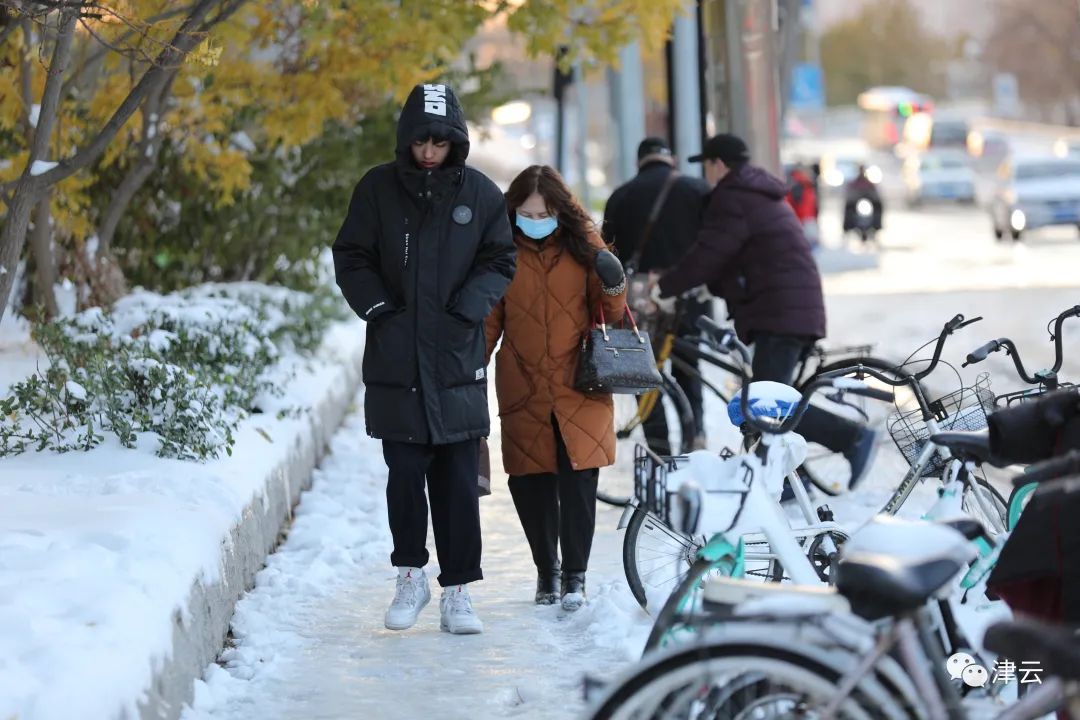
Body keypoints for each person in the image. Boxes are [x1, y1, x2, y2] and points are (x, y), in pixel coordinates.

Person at [332, 83, 516, 635]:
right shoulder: (378, 190)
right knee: (405, 474)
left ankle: (458, 590)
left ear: (455, 141)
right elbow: (352, 255)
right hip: (398, 358)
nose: (430, 152)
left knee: (459, 481)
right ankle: (409, 575)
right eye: (421, 142)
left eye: (440, 142)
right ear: (407, 141)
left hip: (456, 357)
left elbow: (500, 257)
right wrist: (380, 310)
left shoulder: (480, 194)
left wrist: (469, 309)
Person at [651, 133, 878, 489]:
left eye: (707, 166)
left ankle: (850, 437)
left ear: (718, 165)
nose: (707, 175)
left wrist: (662, 288)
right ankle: (787, 482)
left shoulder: (732, 197)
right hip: (788, 308)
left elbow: (709, 254)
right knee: (770, 401)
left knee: (764, 404)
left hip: (781, 312)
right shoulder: (755, 193)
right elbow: (734, 258)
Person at [485, 165, 627, 611]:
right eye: (526, 212)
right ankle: (547, 572)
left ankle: (575, 577)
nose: (535, 219)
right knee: (530, 483)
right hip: (522, 382)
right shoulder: (499, 250)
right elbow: (489, 319)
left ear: (560, 210)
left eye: (544, 212)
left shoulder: (584, 243)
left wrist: (614, 280)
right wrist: (468, 368)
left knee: (580, 481)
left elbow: (612, 312)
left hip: (579, 380)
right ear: (513, 211)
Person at [602, 137, 712, 452]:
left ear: (639, 162)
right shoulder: (697, 190)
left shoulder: (621, 196)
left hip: (639, 304)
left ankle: (659, 444)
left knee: (643, 372)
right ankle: (696, 435)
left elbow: (607, 253)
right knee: (689, 367)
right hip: (688, 298)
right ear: (671, 159)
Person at [786, 165, 820, 250]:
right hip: (804, 221)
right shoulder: (799, 186)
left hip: (805, 219)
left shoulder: (803, 185)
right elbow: (797, 205)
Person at [843, 164, 883, 234]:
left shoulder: (869, 183)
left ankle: (877, 225)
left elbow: (875, 194)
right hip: (856, 202)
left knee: (878, 207)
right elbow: (849, 194)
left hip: (867, 201)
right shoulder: (854, 183)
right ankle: (847, 226)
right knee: (848, 208)